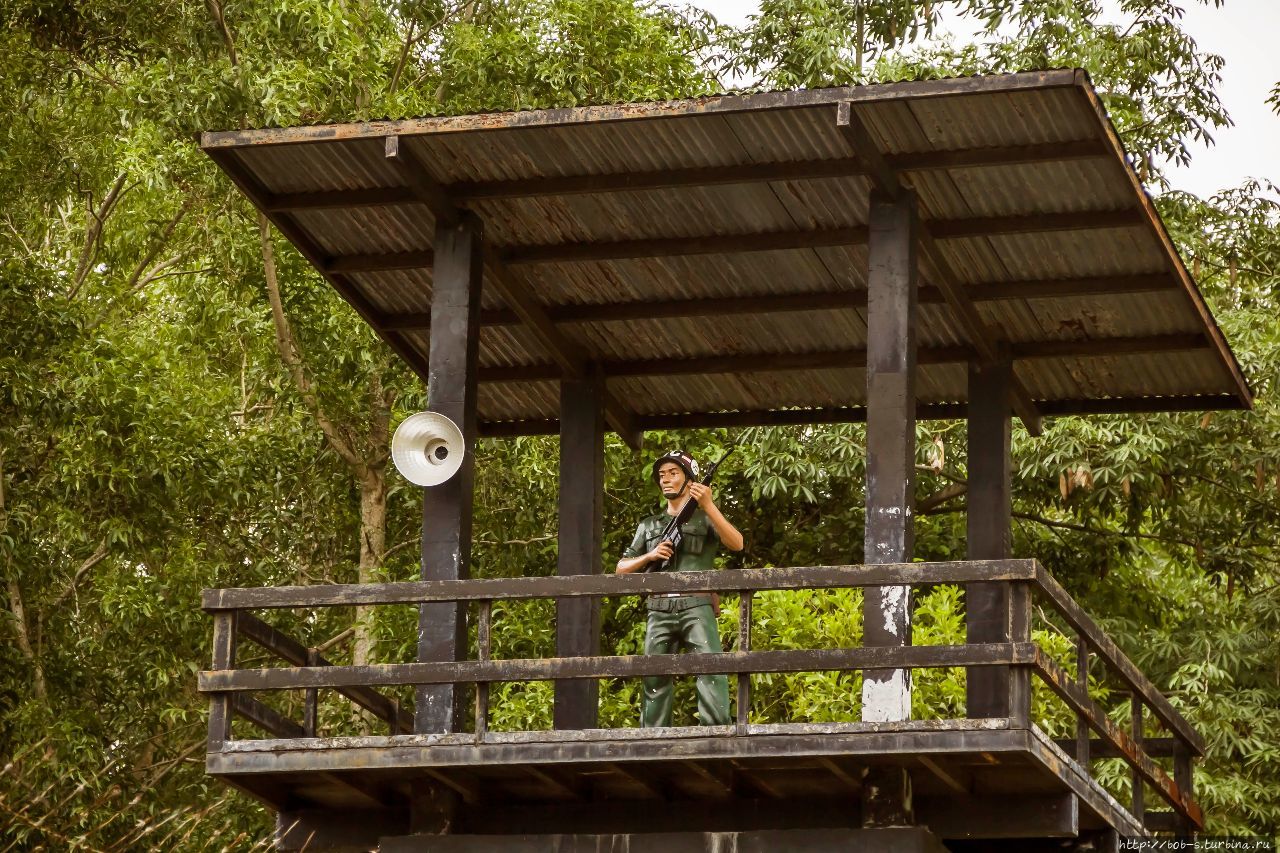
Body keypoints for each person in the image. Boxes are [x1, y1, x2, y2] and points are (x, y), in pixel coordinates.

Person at [616, 450, 744, 727]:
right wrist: (649, 556)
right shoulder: (649, 525)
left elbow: (737, 542)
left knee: (711, 668)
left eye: (673, 473)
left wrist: (709, 505)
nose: (666, 479)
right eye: (662, 475)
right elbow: (621, 568)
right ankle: (652, 736)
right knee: (653, 676)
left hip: (697, 604)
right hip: (658, 607)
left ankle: (715, 732)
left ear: (689, 479)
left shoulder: (705, 518)